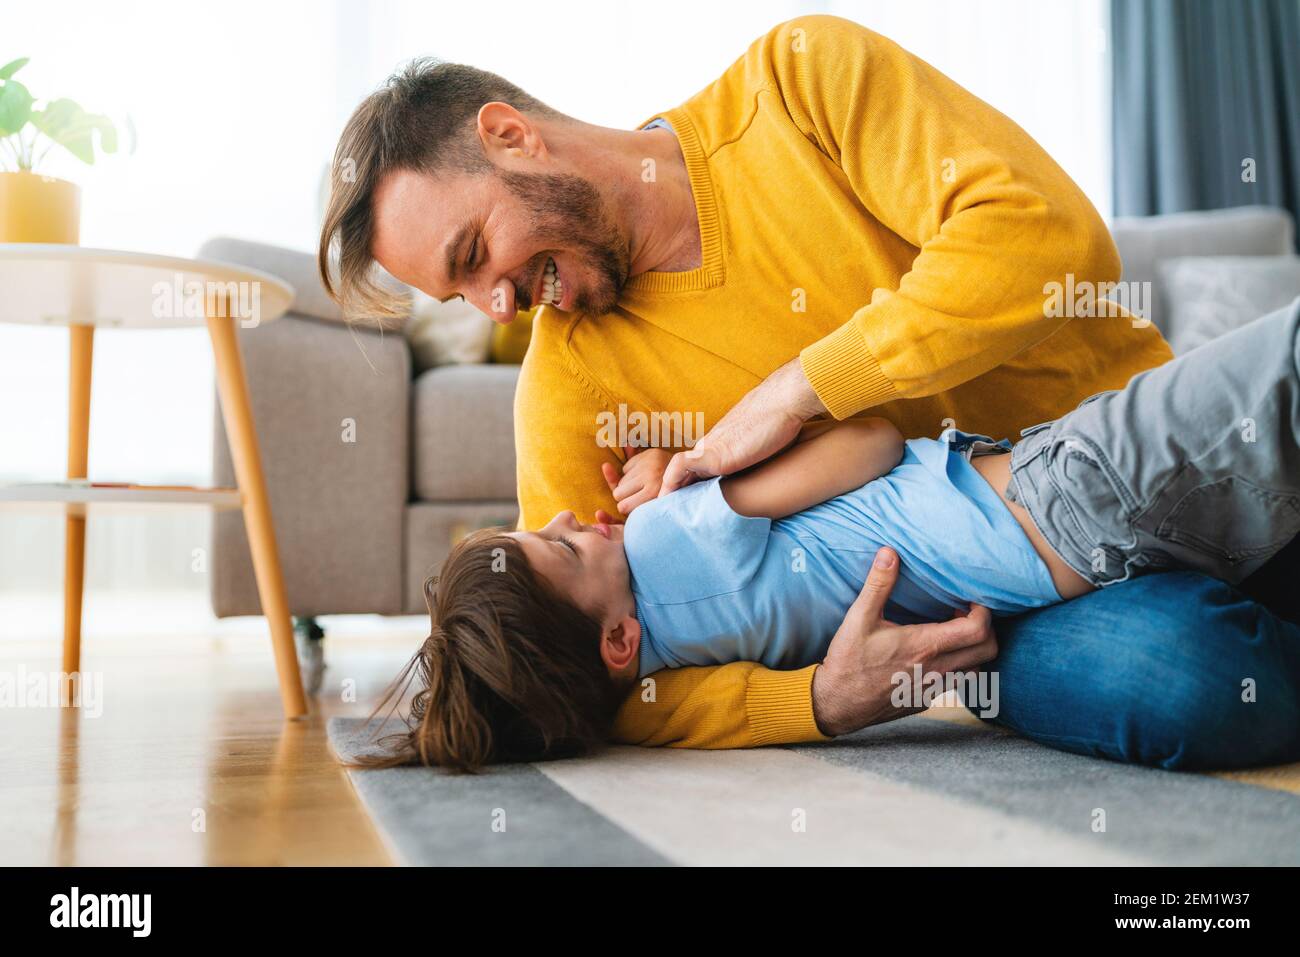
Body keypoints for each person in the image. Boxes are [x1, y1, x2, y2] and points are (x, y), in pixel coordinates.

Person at [320, 16, 1300, 767]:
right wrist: (820, 702)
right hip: (1002, 611)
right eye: (460, 291)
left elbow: (1043, 244)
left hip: (1100, 456)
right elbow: (588, 676)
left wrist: (796, 392)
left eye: (473, 253)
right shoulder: (567, 383)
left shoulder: (800, 84)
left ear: (510, 136)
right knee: (1177, 678)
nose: (496, 305)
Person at [362, 302, 1300, 771]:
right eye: (560, 546)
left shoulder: (676, 664)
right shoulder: (664, 539)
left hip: (1063, 559)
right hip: (1069, 487)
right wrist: (700, 462)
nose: (568, 515)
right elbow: (872, 440)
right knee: (1278, 373)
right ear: (617, 641)